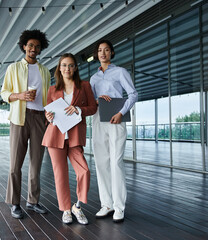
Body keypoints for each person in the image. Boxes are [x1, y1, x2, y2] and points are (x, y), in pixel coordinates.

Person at [0, 29, 51, 219]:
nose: (33, 49)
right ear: (24, 47)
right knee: (15, 164)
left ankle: (33, 201)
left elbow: (47, 96)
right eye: (30, 45)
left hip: (39, 118)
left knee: (36, 163)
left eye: (37, 46)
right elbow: (4, 93)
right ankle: (15, 203)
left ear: (40, 50)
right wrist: (19, 96)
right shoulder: (13, 68)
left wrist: (47, 114)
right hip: (19, 118)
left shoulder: (45, 71)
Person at [42, 53, 97, 224]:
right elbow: (48, 113)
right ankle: (66, 209)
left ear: (75, 68)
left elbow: (93, 108)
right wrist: (49, 116)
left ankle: (77, 206)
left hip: (75, 136)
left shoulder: (84, 86)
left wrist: (79, 110)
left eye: (71, 65)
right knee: (60, 174)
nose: (67, 68)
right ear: (59, 68)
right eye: (64, 65)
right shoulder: (52, 89)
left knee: (84, 171)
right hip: (55, 136)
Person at [90, 40, 138, 223]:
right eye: (100, 50)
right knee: (101, 162)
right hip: (98, 118)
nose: (103, 53)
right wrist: (96, 100)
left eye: (106, 50)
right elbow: (92, 100)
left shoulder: (120, 72)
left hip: (116, 118)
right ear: (97, 54)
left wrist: (121, 113)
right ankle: (106, 204)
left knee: (116, 162)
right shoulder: (93, 79)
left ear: (111, 53)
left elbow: (133, 94)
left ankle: (119, 207)